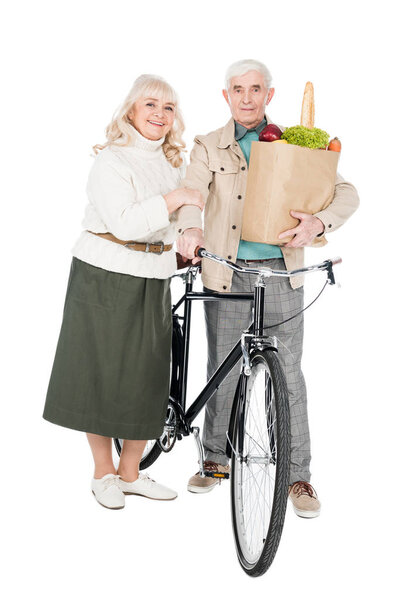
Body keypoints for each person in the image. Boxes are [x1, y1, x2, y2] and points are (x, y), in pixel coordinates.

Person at [176, 59, 359, 517]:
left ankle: (298, 477)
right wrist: (191, 230)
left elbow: (347, 192)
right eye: (237, 89)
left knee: (289, 376)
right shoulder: (208, 145)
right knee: (221, 366)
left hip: (281, 271)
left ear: (269, 95)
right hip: (226, 271)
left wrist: (318, 221)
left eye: (255, 89)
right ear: (226, 96)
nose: (246, 97)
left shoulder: (295, 144)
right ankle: (215, 461)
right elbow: (192, 194)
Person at [43, 74, 204, 510]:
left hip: (153, 272)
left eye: (168, 108)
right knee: (100, 371)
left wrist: (187, 241)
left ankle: (130, 473)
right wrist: (176, 200)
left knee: (148, 375)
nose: (159, 114)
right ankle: (103, 473)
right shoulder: (111, 160)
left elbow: (180, 215)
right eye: (150, 104)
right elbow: (127, 224)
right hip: (104, 270)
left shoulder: (172, 161)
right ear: (130, 110)